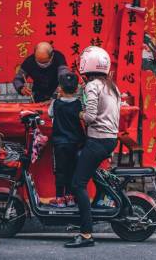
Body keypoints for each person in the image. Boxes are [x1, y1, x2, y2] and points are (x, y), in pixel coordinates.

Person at [65, 46, 121, 249]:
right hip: (109, 139)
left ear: (86, 66)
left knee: (78, 184)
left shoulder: (92, 86)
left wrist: (77, 113)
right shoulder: (112, 86)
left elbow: (90, 117)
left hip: (97, 140)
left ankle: (87, 234)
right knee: (90, 175)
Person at [48, 71, 85, 208]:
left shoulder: (56, 103)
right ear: (76, 89)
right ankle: (70, 197)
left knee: (60, 171)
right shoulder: (78, 104)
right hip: (75, 143)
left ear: (60, 88)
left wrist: (55, 98)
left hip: (60, 143)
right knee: (71, 169)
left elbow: (49, 113)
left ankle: (59, 198)